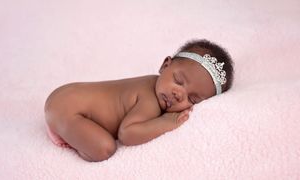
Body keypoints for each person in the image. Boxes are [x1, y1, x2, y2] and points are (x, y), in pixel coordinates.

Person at [44, 39, 234, 162]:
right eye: (178, 81)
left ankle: (65, 126)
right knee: (103, 149)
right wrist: (165, 123)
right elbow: (127, 134)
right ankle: (63, 132)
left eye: (192, 98)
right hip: (67, 107)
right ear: (165, 65)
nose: (179, 94)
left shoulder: (156, 83)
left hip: (67, 95)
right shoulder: (150, 99)